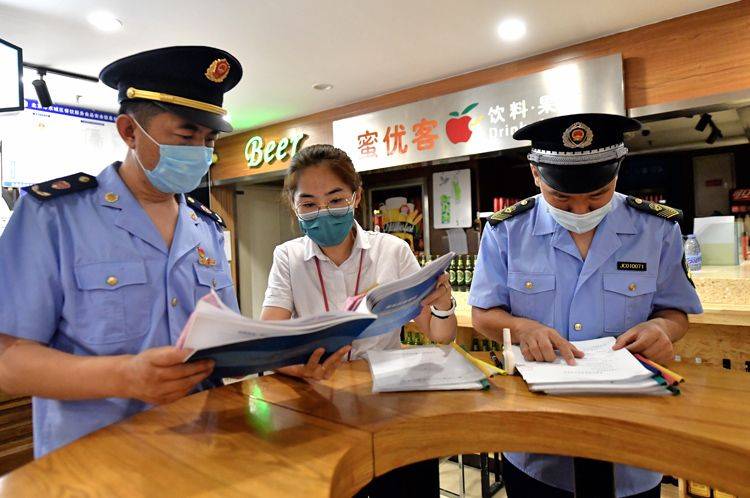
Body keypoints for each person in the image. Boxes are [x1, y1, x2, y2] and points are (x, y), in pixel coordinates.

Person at [0, 46, 242, 457]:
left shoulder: (207, 228)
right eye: (186, 135)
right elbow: (7, 362)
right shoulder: (54, 216)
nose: (201, 152)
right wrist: (124, 377)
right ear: (130, 131)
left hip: (200, 449)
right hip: (92, 463)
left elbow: (229, 342)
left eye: (209, 139)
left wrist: (284, 357)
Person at [469, 113, 702, 498]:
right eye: (561, 197)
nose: (581, 211)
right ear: (536, 175)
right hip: (538, 444)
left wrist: (662, 330)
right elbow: (483, 313)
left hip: (633, 442)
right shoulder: (507, 230)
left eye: (597, 195)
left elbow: (675, 311)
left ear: (617, 172)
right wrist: (524, 329)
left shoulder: (657, 229)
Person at [261, 144, 456, 496]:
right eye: (309, 204)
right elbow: (271, 338)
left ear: (356, 196)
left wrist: (442, 304)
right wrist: (297, 366)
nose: (323, 212)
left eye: (335, 199)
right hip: (322, 402)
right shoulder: (288, 257)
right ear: (295, 206)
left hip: (389, 401)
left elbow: (440, 334)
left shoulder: (392, 250)